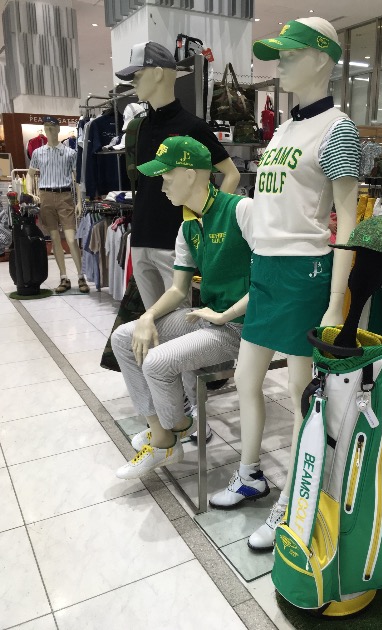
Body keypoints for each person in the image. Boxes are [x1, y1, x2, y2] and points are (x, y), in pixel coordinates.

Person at [210, 17, 361, 551]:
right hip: (267, 268)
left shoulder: (338, 129)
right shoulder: (283, 128)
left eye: (291, 55)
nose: (281, 65)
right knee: (245, 376)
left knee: (300, 393)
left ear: (321, 58)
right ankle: (251, 474)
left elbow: (347, 219)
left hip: (304, 272)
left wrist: (336, 301)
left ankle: (295, 501)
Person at [111, 136, 252, 479]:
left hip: (242, 327)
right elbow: (178, 289)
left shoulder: (241, 209)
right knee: (123, 338)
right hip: (207, 318)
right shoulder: (188, 225)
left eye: (166, 177)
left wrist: (226, 315)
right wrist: (147, 316)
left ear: (190, 174)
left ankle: (168, 438)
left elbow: (271, 276)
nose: (162, 188)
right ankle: (166, 429)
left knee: (157, 362)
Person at [115, 42, 240, 311]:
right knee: (152, 320)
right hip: (140, 238)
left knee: (178, 324)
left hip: (175, 241)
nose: (133, 82)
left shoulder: (192, 126)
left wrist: (210, 221)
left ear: (158, 73)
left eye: (137, 75)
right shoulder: (138, 128)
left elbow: (231, 173)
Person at [27, 115, 89, 294]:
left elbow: (77, 179)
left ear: (58, 129)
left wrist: (79, 201)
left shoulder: (70, 153)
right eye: (46, 127)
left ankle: (81, 276)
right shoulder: (38, 153)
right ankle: (64, 277)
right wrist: (31, 192)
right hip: (45, 197)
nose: (49, 130)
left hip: (65, 196)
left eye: (52, 126)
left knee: (71, 239)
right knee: (54, 239)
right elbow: (30, 174)